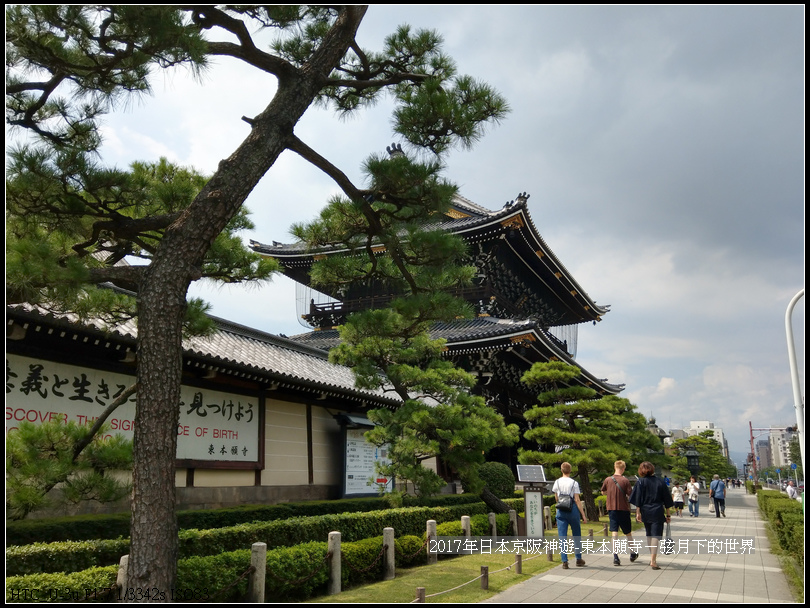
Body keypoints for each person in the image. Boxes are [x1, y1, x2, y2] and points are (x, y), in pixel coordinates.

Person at [629, 461, 674, 570]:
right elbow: (666, 499)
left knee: (649, 534)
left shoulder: (640, 482)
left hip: (645, 510)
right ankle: (653, 560)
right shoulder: (660, 481)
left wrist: (638, 513)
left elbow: (638, 499)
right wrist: (668, 514)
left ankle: (652, 557)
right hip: (657, 510)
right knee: (656, 535)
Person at [600, 460, 639, 566]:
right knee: (628, 533)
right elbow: (630, 495)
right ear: (623, 468)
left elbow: (603, 491)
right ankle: (632, 553)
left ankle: (616, 557)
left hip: (612, 509)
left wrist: (610, 494)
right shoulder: (625, 481)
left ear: (614, 467)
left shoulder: (608, 479)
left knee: (614, 532)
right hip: (623, 509)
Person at [552, 462, 588, 570]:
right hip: (572, 509)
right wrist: (583, 515)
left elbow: (556, 497)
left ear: (561, 470)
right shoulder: (574, 483)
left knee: (562, 536)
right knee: (576, 534)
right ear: (570, 470)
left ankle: (564, 561)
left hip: (561, 510)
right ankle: (578, 558)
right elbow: (577, 500)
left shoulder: (557, 482)